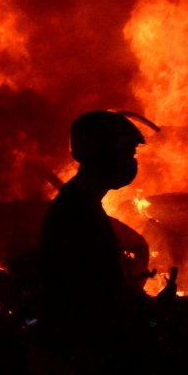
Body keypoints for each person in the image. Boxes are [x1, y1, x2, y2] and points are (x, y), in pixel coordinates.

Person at [39, 110, 148, 349]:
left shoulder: (82, 204)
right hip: (87, 350)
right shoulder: (76, 214)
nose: (132, 162)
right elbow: (92, 295)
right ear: (106, 155)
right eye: (128, 153)